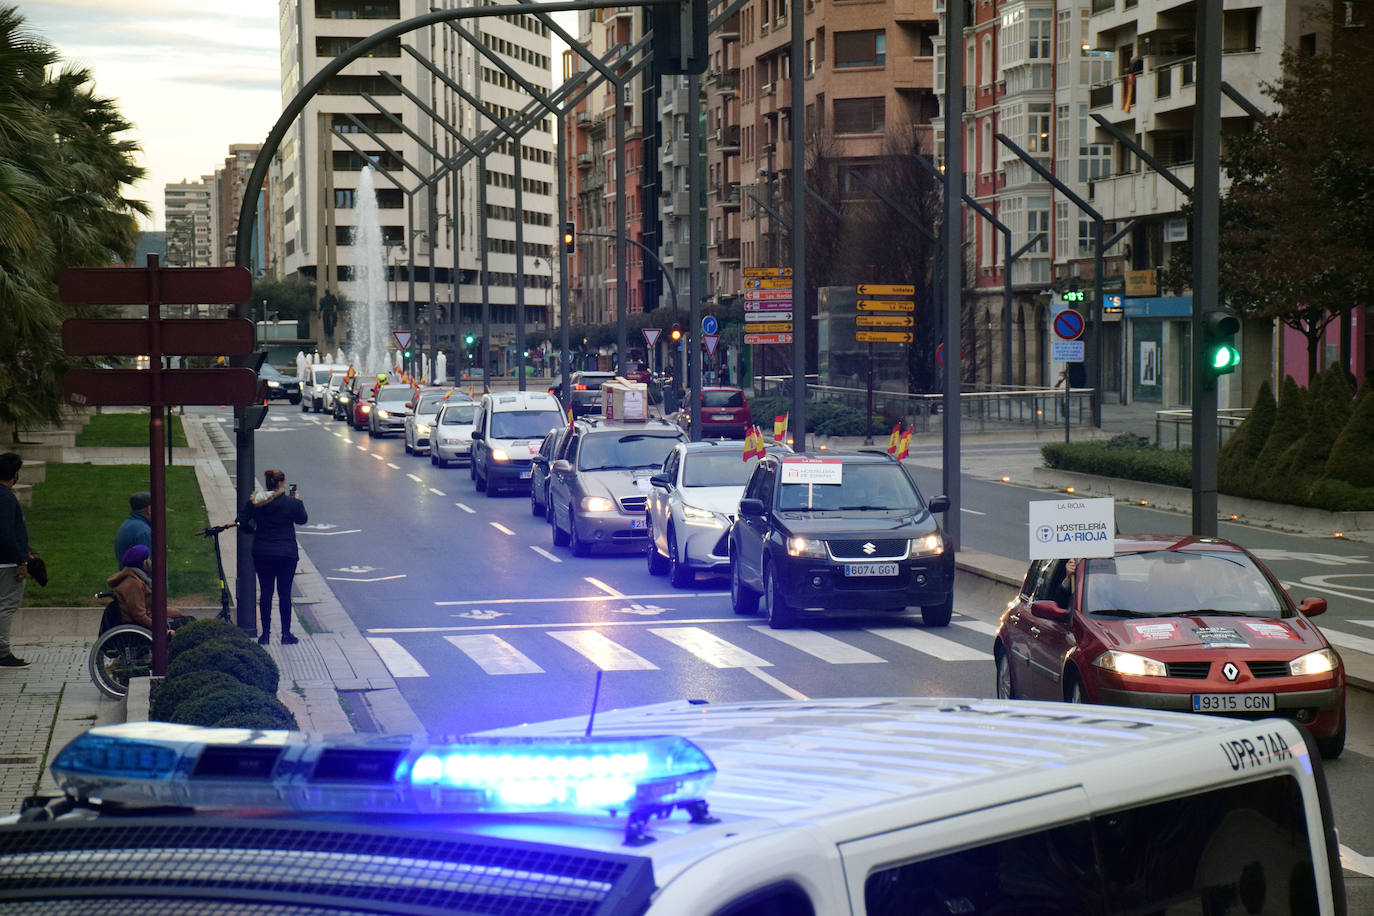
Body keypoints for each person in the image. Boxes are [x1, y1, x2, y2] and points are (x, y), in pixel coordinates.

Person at [239, 469, 308, 645]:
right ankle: (286, 634)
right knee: (285, 593)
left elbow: (242, 521)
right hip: (286, 554)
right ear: (281, 484)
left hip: (263, 552)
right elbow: (302, 520)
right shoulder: (291, 503)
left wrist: (253, 531)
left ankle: (265, 635)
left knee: (266, 593)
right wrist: (297, 500)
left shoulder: (256, 502)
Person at [107, 544, 190, 635]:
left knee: (183, 617)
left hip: (149, 619)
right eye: (148, 558)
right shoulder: (133, 584)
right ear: (142, 562)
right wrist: (163, 630)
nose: (150, 561)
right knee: (189, 623)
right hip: (140, 627)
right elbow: (139, 616)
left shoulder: (138, 578)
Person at [0, 452, 31, 669]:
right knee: (6, 607)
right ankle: (2, 652)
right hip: (6, 564)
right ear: (14, 474)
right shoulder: (6, 498)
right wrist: (21, 560)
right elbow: (6, 533)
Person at [114, 490, 152, 566]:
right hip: (141, 577)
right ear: (149, 509)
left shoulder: (128, 524)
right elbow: (147, 566)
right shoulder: (144, 532)